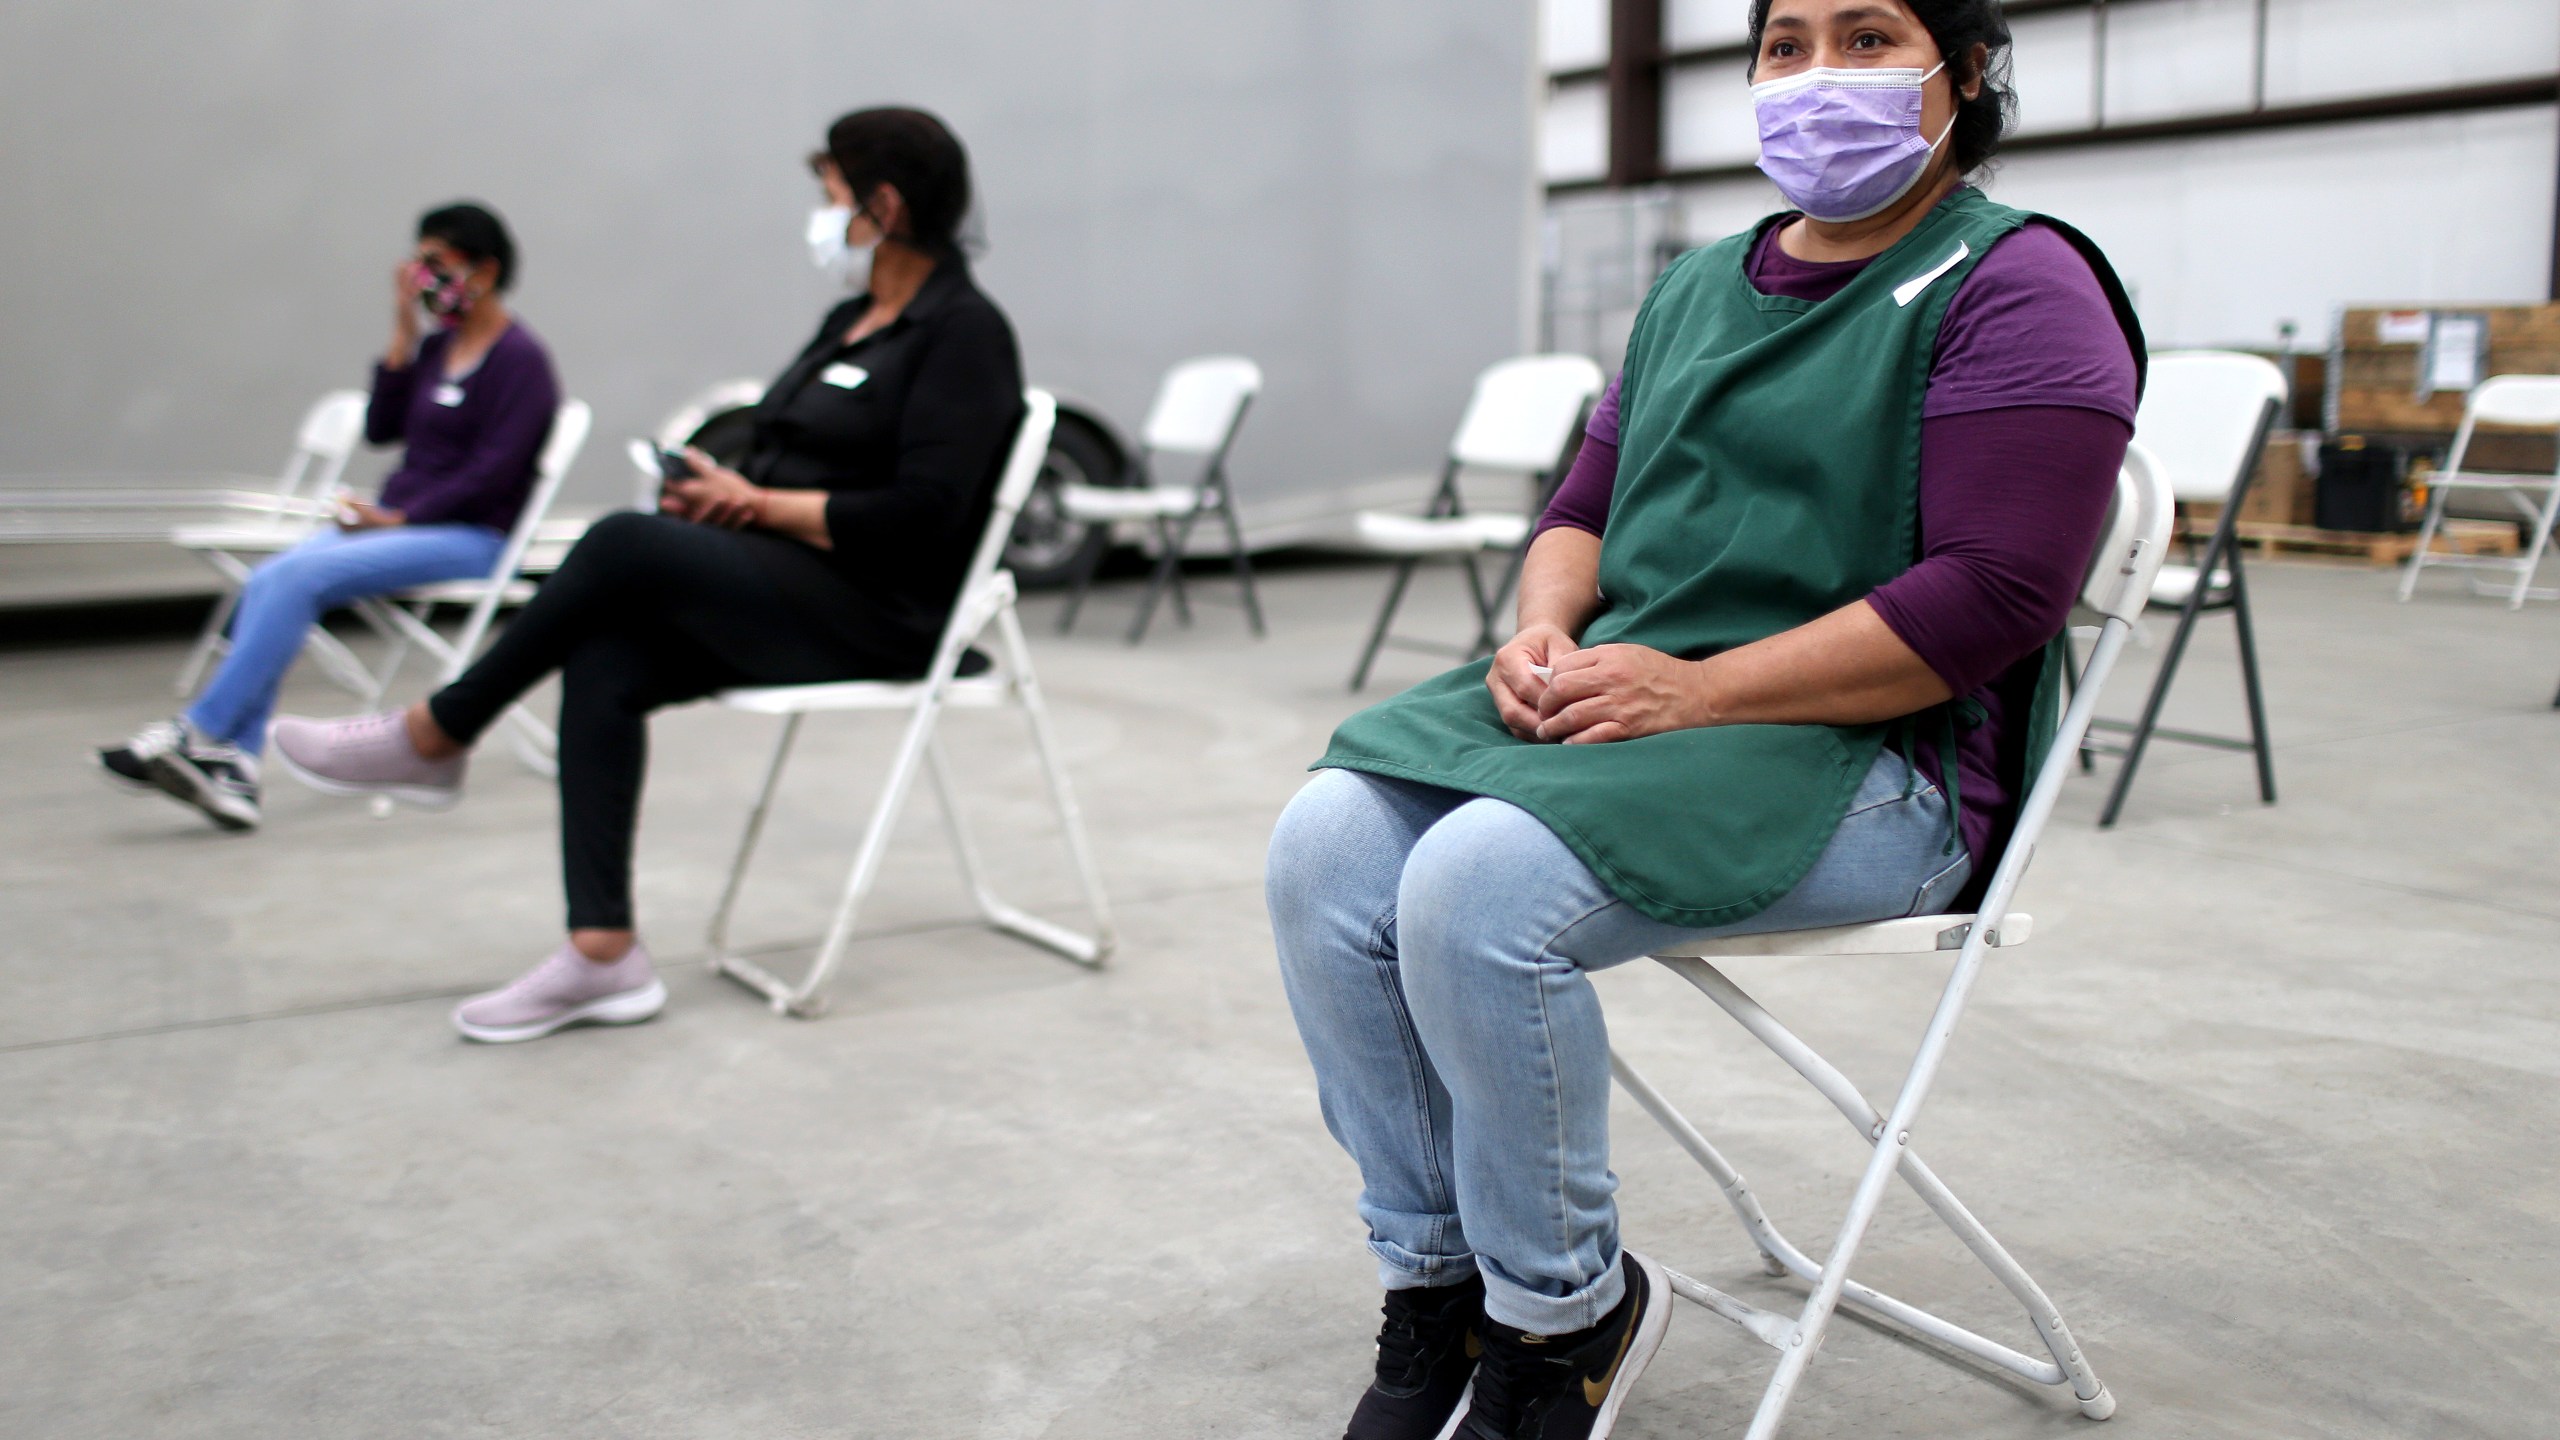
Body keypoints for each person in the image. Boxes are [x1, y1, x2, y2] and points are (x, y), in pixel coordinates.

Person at [1263, 2, 2145, 1436]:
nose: (1816, 78)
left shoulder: (2017, 285)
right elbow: (1580, 514)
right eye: (1786, 43)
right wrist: (1546, 627)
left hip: (1874, 757)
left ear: (1965, 71)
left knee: (1479, 889)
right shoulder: (1696, 287)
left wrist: (1702, 687)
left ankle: (1559, 1318)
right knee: (1327, 846)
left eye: (1868, 38)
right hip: (1649, 707)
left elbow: (1994, 596)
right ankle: (1437, 1283)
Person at [268, 108, 1025, 1045]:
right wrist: (719, 490)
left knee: (621, 543)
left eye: (828, 196)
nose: (819, 216)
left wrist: (752, 505)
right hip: (788, 579)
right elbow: (778, 445)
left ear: (884, 204)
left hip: (884, 612)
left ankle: (436, 732)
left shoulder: (965, 333)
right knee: (609, 653)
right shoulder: (850, 318)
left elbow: (925, 518)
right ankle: (602, 955)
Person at [98, 202, 558, 832]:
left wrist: (401, 520)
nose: (422, 278)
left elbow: (494, 473)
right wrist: (401, 333)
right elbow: (380, 428)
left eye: (436, 264)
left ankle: (202, 734)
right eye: (416, 263)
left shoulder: (521, 363)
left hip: (470, 537)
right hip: (403, 521)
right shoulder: (438, 348)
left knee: (296, 579)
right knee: (268, 578)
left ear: (484, 270)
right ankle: (234, 767)